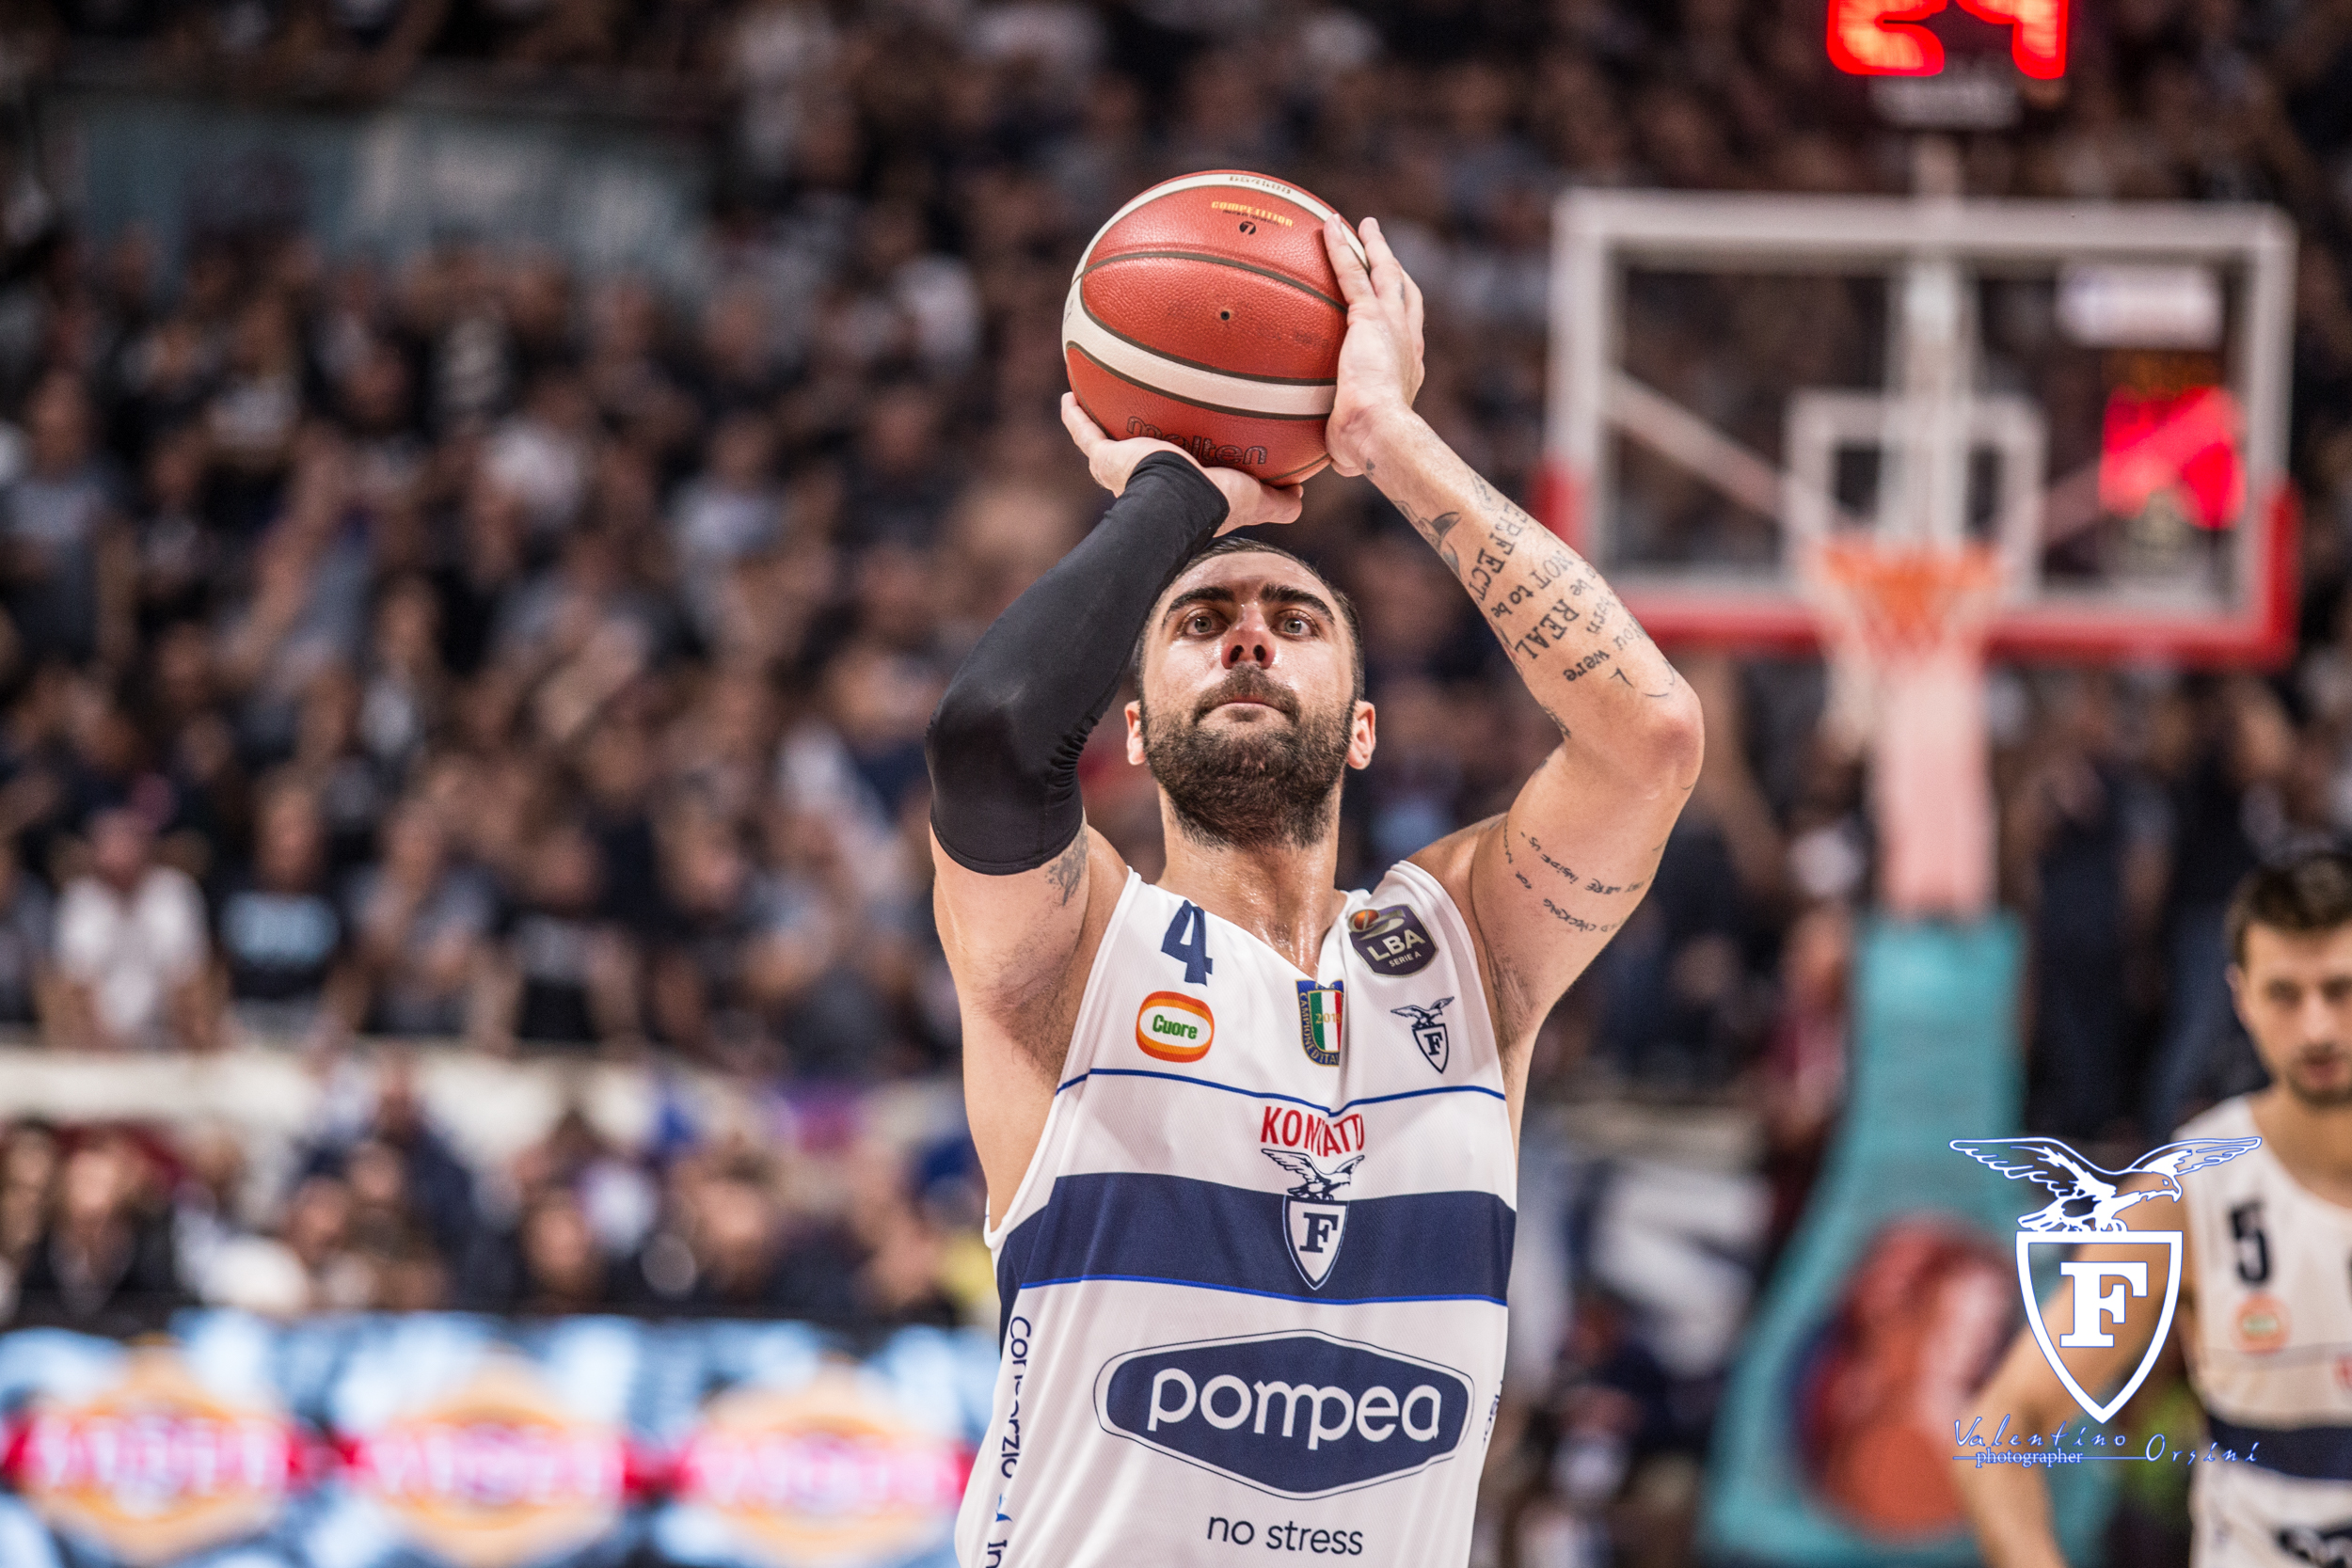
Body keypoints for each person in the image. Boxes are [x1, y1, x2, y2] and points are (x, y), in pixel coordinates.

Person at [926, 214, 1703, 1565]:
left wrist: (1386, 440)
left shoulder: (1464, 946)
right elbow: (990, 738)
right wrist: (1177, 493)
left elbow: (1651, 737)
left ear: (1362, 728)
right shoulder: (1080, 949)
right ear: (1130, 725)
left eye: (1295, 622)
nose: (1247, 636)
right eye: (1199, 621)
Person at [1959, 850, 2352, 1566]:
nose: (2317, 1027)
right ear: (2241, 997)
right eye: (2285, 994)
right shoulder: (2183, 1194)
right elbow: (2001, 1423)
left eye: (2340, 989)